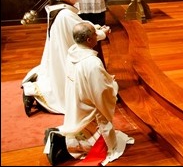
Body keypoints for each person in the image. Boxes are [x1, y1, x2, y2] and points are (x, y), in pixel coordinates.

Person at [43, 22, 134, 166]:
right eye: (94, 33)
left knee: (78, 126)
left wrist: (106, 79)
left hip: (76, 100)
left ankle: (61, 138)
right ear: (89, 40)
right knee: (100, 141)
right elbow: (102, 92)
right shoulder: (92, 63)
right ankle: (63, 145)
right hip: (89, 106)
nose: (97, 35)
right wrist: (112, 85)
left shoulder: (73, 51)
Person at [21, 0, 111, 116]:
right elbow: (83, 34)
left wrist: (96, 26)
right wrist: (102, 33)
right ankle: (32, 93)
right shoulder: (65, 15)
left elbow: (79, 25)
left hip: (60, 48)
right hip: (65, 52)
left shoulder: (60, 9)